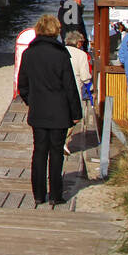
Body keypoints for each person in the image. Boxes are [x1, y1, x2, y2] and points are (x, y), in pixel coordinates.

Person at [17, 14, 82, 207]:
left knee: (39, 152)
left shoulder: (29, 54)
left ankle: (38, 194)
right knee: (56, 154)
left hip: (39, 110)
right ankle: (55, 194)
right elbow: (69, 86)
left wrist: (32, 101)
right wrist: (76, 113)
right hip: (60, 111)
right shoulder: (61, 54)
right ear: (55, 31)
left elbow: (23, 85)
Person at [64, 30, 93, 155]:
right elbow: (85, 77)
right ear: (78, 43)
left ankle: (60, 141)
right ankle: (63, 141)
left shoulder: (60, 51)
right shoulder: (81, 55)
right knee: (74, 117)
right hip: (75, 88)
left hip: (59, 88)